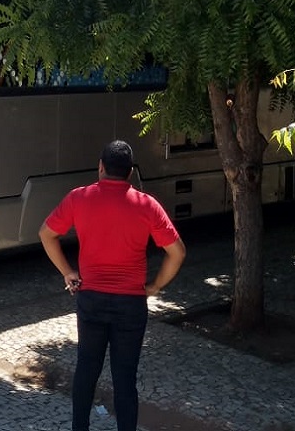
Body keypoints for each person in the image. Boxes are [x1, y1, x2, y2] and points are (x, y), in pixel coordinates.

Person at [38, 140, 187, 431]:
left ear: (101, 167)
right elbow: (177, 252)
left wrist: (68, 272)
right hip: (131, 303)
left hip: (91, 299)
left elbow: (46, 234)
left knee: (86, 370)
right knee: (125, 379)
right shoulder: (147, 205)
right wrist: (155, 286)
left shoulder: (78, 198)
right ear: (130, 172)